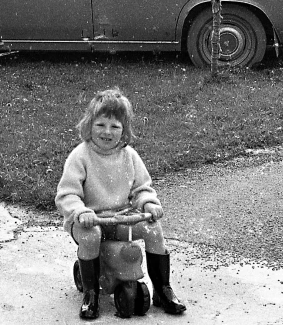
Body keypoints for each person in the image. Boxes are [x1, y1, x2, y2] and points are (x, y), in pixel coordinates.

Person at [56, 88, 186, 320]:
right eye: (101, 125)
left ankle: (163, 289)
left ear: (124, 130)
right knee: (91, 237)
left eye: (115, 126)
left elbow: (142, 188)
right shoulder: (80, 156)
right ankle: (91, 294)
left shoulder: (129, 156)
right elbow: (67, 194)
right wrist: (80, 211)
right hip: (90, 220)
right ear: (89, 125)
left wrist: (148, 204)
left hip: (121, 217)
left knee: (152, 229)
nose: (107, 132)